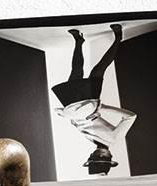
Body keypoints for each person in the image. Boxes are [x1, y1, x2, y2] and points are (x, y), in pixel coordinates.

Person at [51, 23, 137, 173]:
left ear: (91, 156)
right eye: (103, 157)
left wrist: (68, 116)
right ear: (110, 156)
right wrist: (102, 108)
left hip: (74, 108)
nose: (100, 154)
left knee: (76, 72)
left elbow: (80, 124)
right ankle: (118, 38)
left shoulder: (92, 141)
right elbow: (130, 117)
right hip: (89, 104)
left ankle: (78, 41)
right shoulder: (114, 139)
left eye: (96, 156)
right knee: (98, 70)